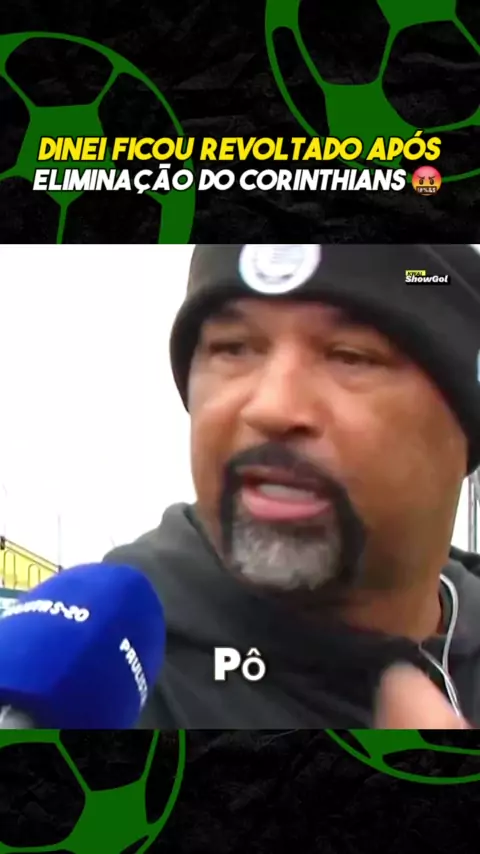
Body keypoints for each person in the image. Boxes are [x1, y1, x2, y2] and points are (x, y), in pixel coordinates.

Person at [104, 243, 480, 729]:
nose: (273, 407)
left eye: (351, 356)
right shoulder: (105, 681)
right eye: (233, 348)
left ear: (466, 425)